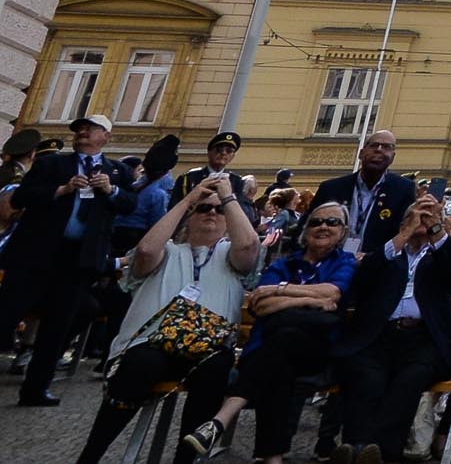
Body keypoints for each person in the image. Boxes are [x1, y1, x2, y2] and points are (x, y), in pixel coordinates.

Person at [72, 173, 259, 464]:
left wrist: (228, 197)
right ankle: (90, 456)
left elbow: (248, 246)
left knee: (215, 367)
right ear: (190, 217)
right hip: (150, 344)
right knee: (142, 363)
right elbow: (145, 252)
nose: (212, 212)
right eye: (203, 208)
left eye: (219, 210)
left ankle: (185, 460)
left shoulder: (230, 256)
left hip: (206, 349)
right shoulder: (168, 251)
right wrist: (188, 199)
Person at [188, 196, 356, 461]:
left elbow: (333, 293)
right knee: (280, 363)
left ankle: (224, 417)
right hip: (273, 351)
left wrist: (281, 292)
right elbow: (261, 305)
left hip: (316, 355)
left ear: (343, 232)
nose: (323, 227)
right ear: (305, 229)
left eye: (332, 222)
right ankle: (272, 459)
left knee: (282, 342)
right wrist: (311, 299)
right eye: (316, 222)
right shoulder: (283, 264)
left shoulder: (344, 261)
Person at [0, 111, 135, 403]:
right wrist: (62, 189)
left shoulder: (116, 172)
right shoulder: (51, 163)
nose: (83, 133)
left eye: (90, 129)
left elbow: (129, 205)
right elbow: (22, 198)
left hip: (78, 260)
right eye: (80, 129)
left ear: (106, 137)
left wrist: (110, 191)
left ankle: (35, 388)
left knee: (57, 327)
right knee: (7, 314)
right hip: (36, 254)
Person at [332, 189, 451, 464]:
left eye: (427, 218)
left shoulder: (440, 253)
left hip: (423, 340)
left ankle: (376, 452)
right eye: (417, 217)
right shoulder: (389, 252)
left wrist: (436, 228)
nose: (422, 223)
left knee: (409, 380)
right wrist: (403, 235)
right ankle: (358, 448)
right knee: (366, 376)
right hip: (377, 336)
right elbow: (364, 278)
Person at [312, 130, 417, 257]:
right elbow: (308, 228)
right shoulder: (331, 188)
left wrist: (369, 257)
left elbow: (403, 233)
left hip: (376, 267)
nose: (379, 150)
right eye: (373, 145)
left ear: (393, 157)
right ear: (361, 153)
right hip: (329, 263)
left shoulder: (403, 189)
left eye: (386, 147)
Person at [177, 132, 245, 202]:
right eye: (219, 149)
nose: (223, 153)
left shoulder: (237, 182)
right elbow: (175, 208)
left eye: (229, 151)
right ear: (209, 152)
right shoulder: (189, 178)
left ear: (232, 157)